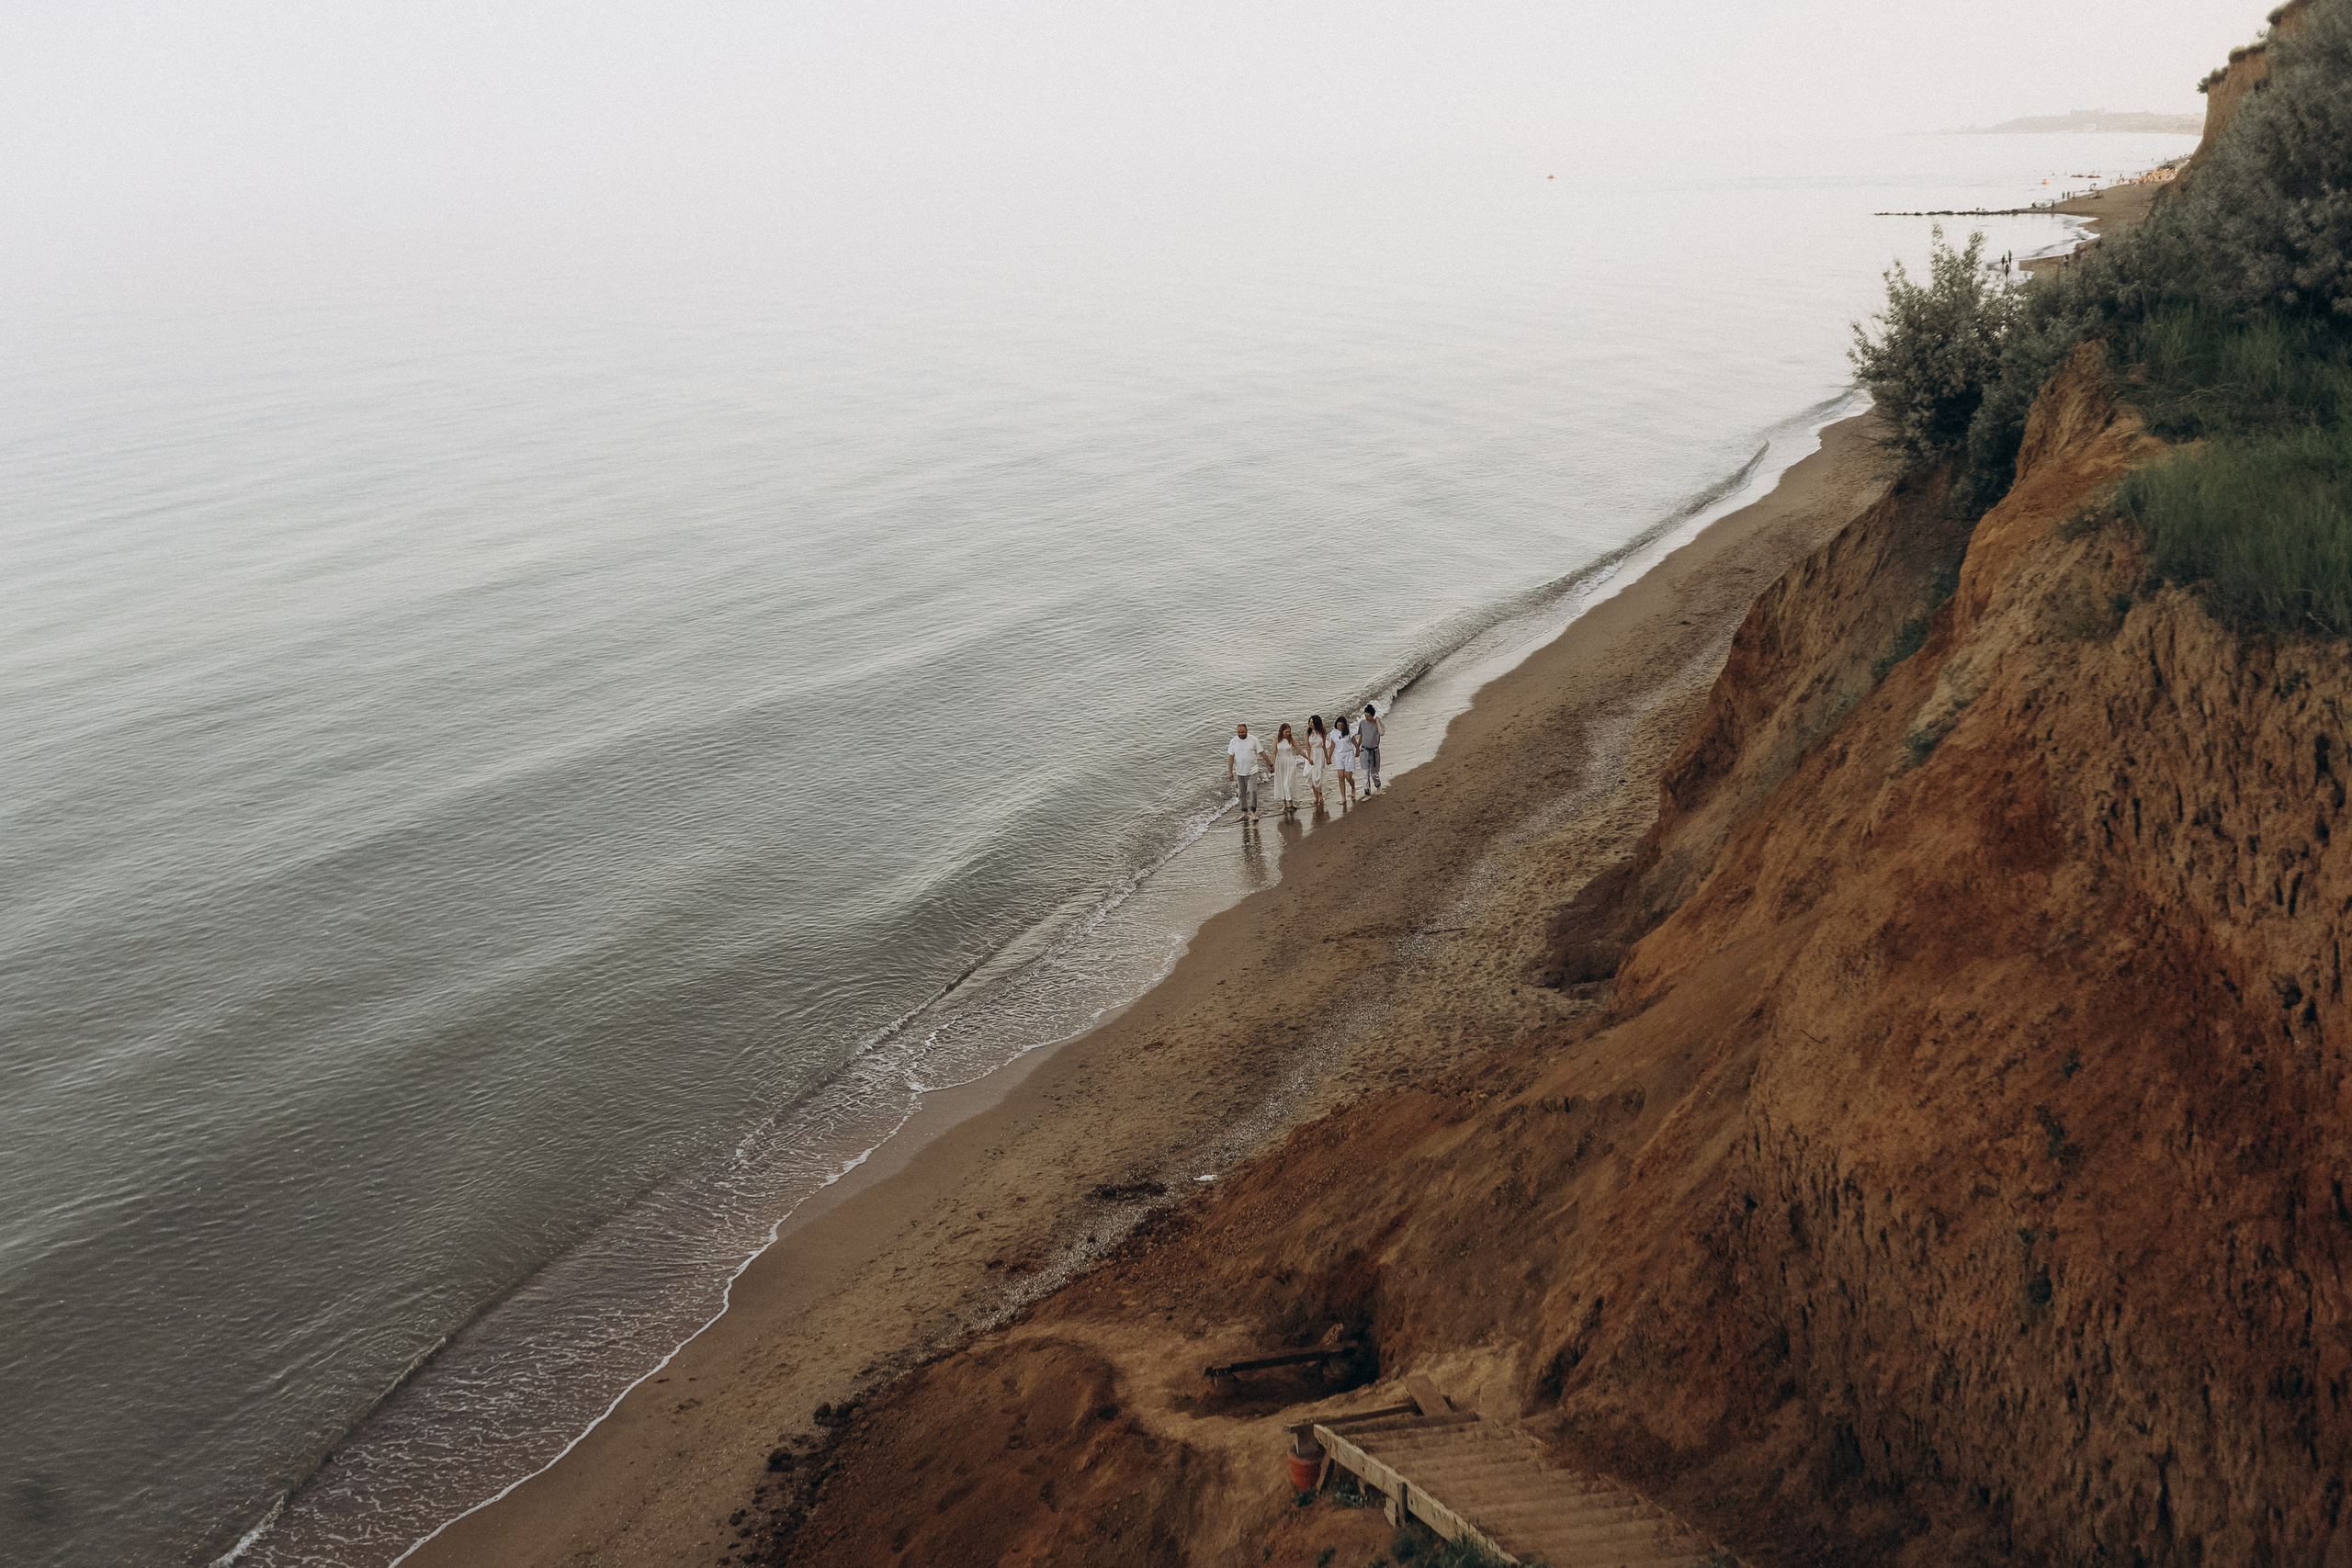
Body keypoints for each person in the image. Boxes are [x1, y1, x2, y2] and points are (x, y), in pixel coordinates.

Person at [1227, 722, 1266, 820]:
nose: (1241, 734)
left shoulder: (1253, 739)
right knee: (1241, 793)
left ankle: (1254, 812)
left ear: (1247, 731)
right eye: (1239, 732)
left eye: (1243, 732)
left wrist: (1270, 765)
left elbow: (1261, 752)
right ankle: (1245, 813)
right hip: (1240, 771)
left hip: (1253, 770)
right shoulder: (1233, 741)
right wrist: (1230, 772)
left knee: (1253, 791)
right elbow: (1231, 758)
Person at [1270, 722, 1306, 816]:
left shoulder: (1291, 739)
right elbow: (1274, 753)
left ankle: (1290, 802)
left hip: (1290, 762)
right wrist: (1273, 765)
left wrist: (1308, 758)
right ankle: (1285, 805)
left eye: (1289, 732)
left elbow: (1299, 750)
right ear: (1281, 731)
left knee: (1288, 783)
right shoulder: (1277, 740)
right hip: (1280, 763)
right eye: (1286, 732)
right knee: (1281, 783)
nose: (1288, 734)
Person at [1304, 715, 1331, 808]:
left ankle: (1320, 795)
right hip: (1312, 754)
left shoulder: (1322, 732)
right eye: (1310, 722)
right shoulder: (1308, 732)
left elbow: (1324, 746)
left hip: (1320, 754)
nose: (1310, 724)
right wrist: (1309, 758)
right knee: (1311, 775)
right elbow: (1307, 746)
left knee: (1319, 775)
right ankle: (1315, 796)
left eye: (1312, 722)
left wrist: (1327, 758)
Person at [1358, 704, 1386, 793]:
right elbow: (1361, 736)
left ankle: (1378, 786)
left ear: (1372, 715)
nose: (1366, 718)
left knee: (1374, 774)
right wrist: (1357, 748)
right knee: (1365, 773)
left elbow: (1381, 733)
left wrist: (1377, 722)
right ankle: (1367, 793)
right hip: (1364, 750)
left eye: (1368, 716)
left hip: (1374, 751)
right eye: (1365, 716)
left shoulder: (1378, 724)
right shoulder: (1362, 723)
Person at [1331, 715, 1359, 805]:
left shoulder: (1349, 732)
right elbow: (1332, 745)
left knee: (1348, 777)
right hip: (1338, 755)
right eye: (1339, 725)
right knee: (1341, 777)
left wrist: (1357, 749)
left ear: (1345, 725)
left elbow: (1354, 742)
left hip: (1349, 754)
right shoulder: (1333, 733)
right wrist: (1329, 757)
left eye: (1342, 726)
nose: (1340, 727)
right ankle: (1343, 798)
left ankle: (1353, 788)